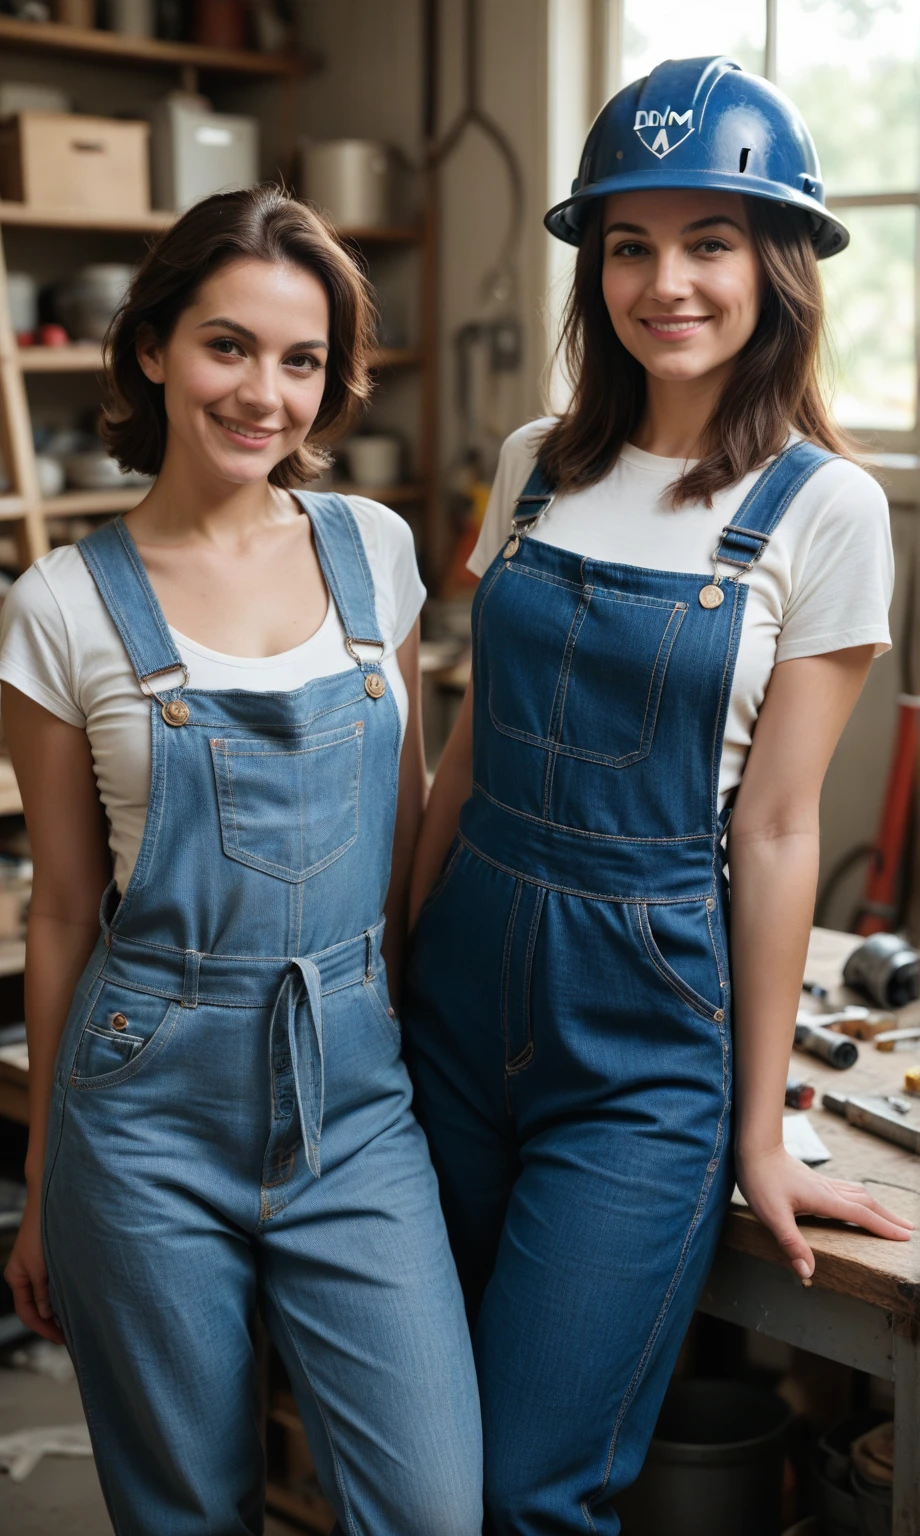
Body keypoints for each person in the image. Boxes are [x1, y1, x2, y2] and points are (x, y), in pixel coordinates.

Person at [403, 56, 913, 1535]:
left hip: (636, 1054)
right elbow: (469, 751)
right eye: (630, 244)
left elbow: (774, 830)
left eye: (709, 241)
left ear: (781, 263)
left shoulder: (825, 509)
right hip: (453, 992)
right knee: (414, 1462)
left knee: (526, 1486)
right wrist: (392, 959)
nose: (664, 281)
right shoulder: (532, 467)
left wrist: (759, 1129)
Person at [0, 185, 482, 1536]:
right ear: (149, 348)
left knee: (433, 1507)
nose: (264, 393)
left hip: (356, 1100)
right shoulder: (59, 608)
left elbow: (406, 813)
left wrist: (390, 1028)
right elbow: (61, 916)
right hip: (142, 1114)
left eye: (302, 359)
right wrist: (42, 1192)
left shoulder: (375, 552)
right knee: (188, 1514)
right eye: (227, 345)